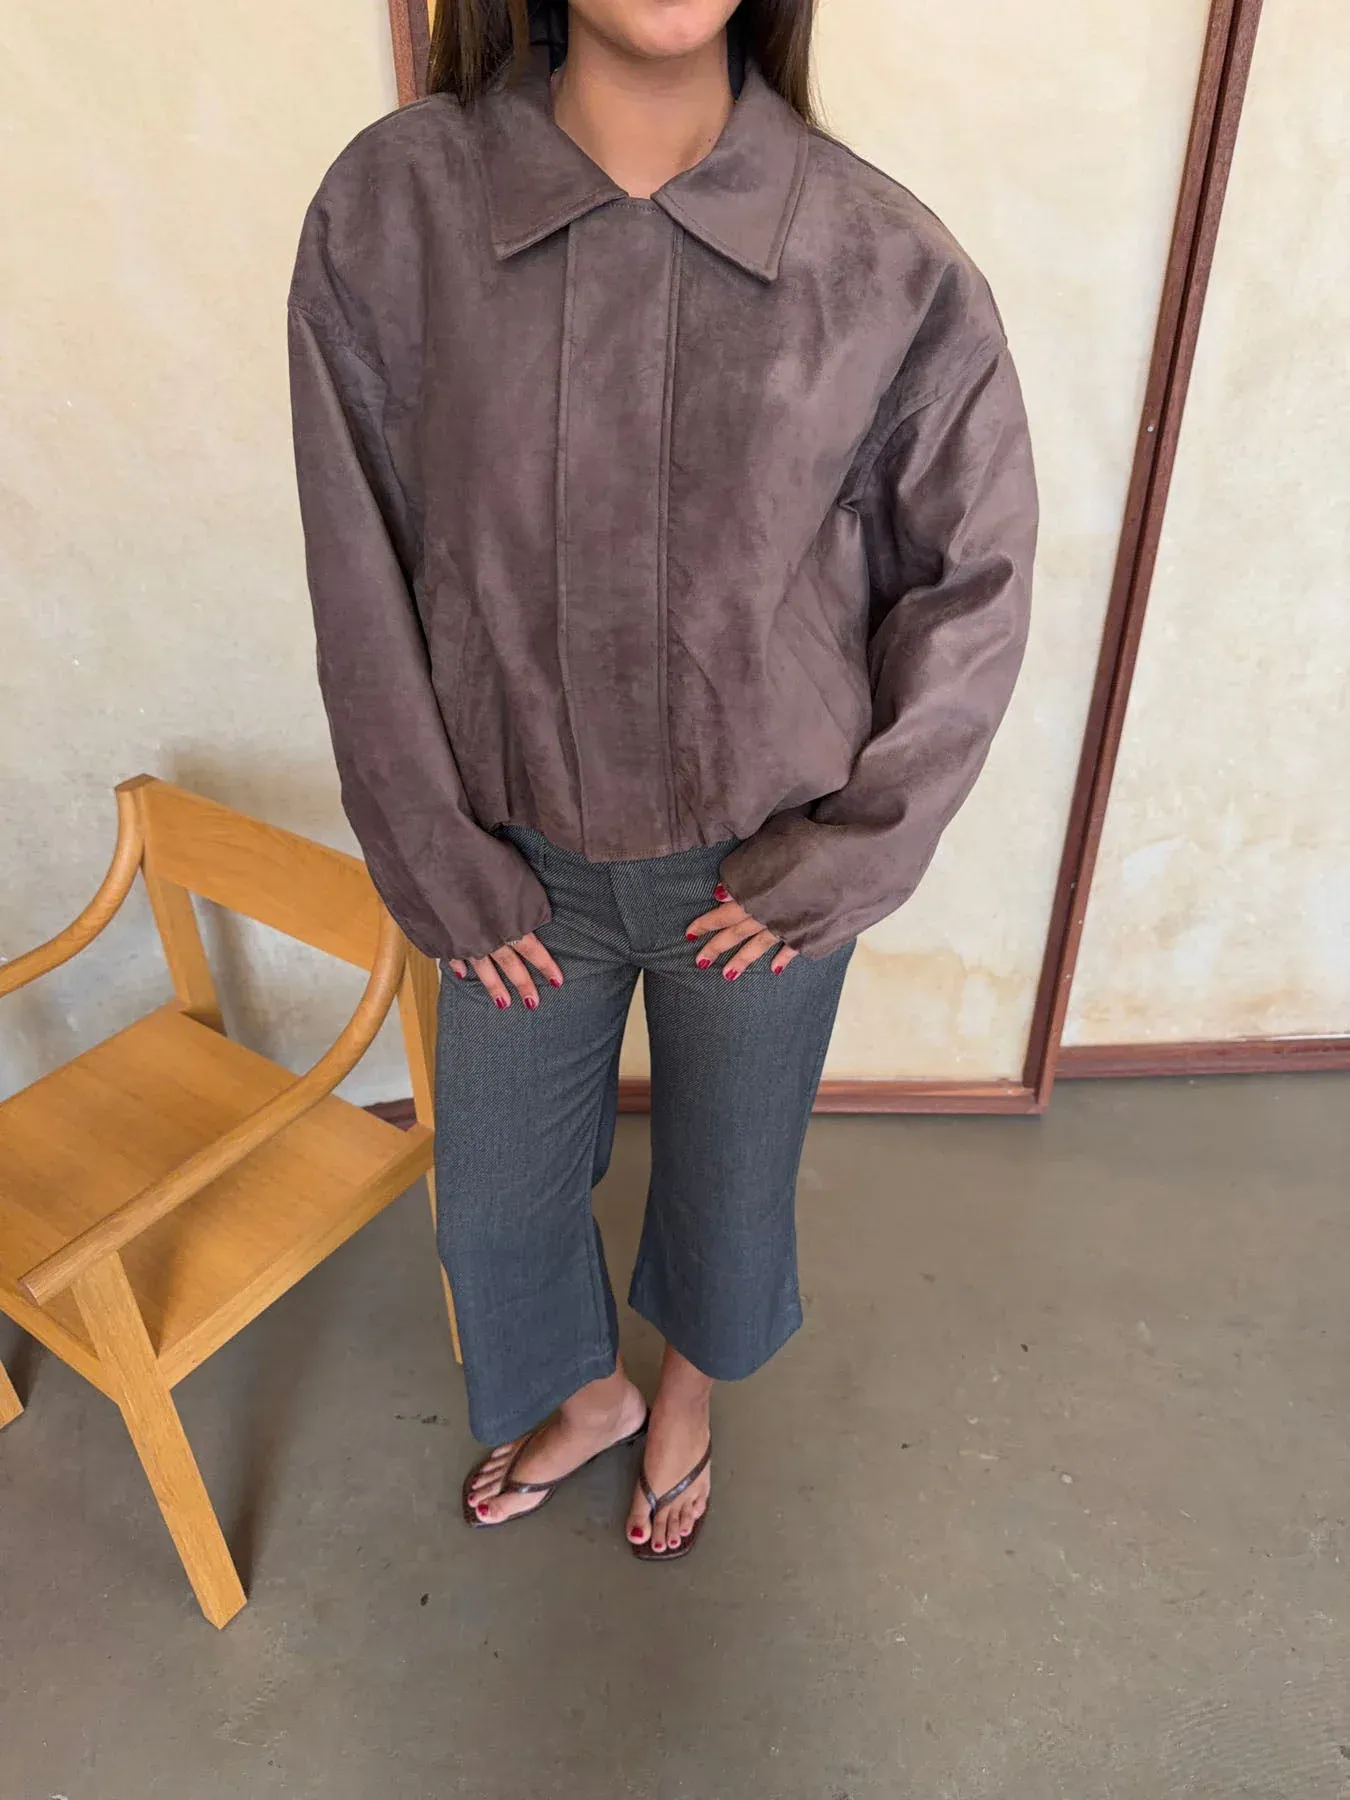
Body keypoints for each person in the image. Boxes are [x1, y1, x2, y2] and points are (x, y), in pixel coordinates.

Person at [288, 0, 1037, 1561]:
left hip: (760, 868)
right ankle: (591, 1396)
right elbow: (357, 561)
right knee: (492, 1210)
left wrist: (846, 856)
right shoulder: (395, 209)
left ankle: (684, 1397)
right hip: (510, 863)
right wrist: (433, 852)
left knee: (729, 1189)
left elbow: (968, 583)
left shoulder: (879, 257)